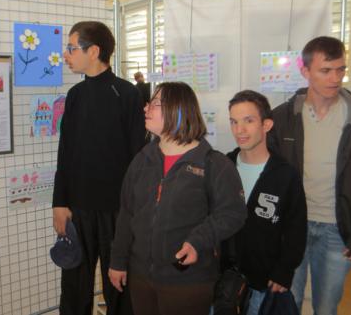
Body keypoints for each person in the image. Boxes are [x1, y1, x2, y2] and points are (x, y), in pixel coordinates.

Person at [269, 36, 351, 315]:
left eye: (340, 69)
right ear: (305, 71)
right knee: (289, 303)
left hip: (338, 230)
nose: (335, 78)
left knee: (326, 307)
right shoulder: (282, 118)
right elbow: (270, 180)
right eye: (326, 70)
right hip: (292, 228)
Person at [109, 82, 247, 315]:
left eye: (154, 104)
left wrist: (197, 241)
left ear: (178, 110)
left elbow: (233, 213)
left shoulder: (214, 164)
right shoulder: (142, 160)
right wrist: (118, 261)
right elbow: (127, 214)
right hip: (141, 277)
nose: (146, 109)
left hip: (188, 281)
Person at [53, 21, 146, 315]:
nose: (66, 55)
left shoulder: (128, 94)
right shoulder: (75, 95)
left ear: (93, 51)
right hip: (77, 209)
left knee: (118, 286)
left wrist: (133, 211)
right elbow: (65, 154)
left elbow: (137, 158)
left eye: (71, 48)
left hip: (117, 211)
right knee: (74, 286)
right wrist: (60, 202)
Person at [225, 90, 307, 315]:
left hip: (263, 281)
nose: (239, 130)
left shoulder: (285, 175)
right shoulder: (223, 167)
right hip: (224, 278)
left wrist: (284, 271)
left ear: (267, 125)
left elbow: (296, 230)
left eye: (248, 121)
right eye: (234, 122)